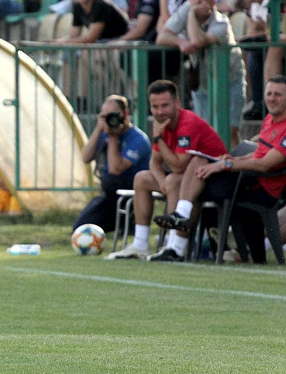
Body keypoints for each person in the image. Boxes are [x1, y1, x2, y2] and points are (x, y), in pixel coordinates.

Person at [154, 76, 286, 264]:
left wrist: (226, 165)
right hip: (246, 180)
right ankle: (174, 247)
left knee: (196, 163)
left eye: (278, 94)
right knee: (176, 180)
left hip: (258, 187)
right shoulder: (270, 120)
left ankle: (181, 220)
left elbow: (265, 164)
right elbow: (259, 154)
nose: (272, 98)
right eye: (269, 93)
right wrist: (234, 159)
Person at [106, 80, 227, 261]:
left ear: (177, 103)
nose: (160, 111)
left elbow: (178, 165)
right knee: (142, 179)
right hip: (188, 179)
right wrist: (162, 182)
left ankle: (175, 247)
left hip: (216, 180)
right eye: (155, 107)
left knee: (173, 180)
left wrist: (158, 139)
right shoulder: (163, 125)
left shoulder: (188, 122)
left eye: (165, 105)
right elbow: (154, 163)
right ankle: (140, 243)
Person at [156, 0, 245, 147]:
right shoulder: (187, 8)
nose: (197, 1)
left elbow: (197, 41)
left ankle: (233, 161)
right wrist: (180, 42)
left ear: (212, 1)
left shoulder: (221, 22)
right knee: (204, 129)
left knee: (230, 130)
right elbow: (162, 36)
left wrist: (191, 15)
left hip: (229, 81)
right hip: (203, 82)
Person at [73, 95, 151, 232]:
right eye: (104, 116)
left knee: (109, 180)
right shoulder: (105, 132)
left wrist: (113, 137)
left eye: (113, 115)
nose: (110, 120)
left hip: (133, 188)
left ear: (125, 114)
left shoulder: (139, 139)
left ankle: (129, 221)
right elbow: (86, 157)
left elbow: (116, 170)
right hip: (111, 194)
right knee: (81, 227)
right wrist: (99, 128)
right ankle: (118, 222)